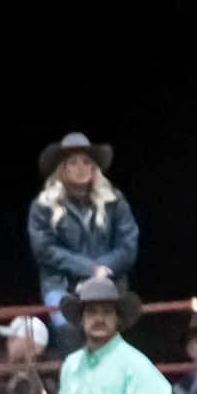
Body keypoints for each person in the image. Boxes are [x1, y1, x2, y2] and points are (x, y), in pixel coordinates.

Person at [26, 133, 139, 355]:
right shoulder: (43, 206)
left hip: (109, 282)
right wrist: (90, 269)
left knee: (111, 336)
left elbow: (128, 244)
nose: (81, 167)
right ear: (63, 168)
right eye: (73, 162)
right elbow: (44, 249)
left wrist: (104, 269)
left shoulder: (114, 201)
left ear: (94, 167)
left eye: (86, 162)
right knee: (67, 328)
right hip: (62, 285)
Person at [0, 315, 53, 394]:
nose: (8, 343)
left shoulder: (45, 382)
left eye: (13, 339)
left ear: (29, 343)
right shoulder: (2, 376)